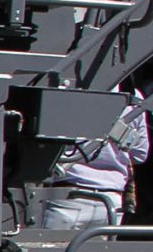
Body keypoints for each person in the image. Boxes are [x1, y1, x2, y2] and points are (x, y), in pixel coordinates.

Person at [36, 87, 147, 231]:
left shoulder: (67, 86)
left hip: (68, 196)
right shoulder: (132, 95)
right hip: (110, 201)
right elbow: (140, 154)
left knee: (49, 251)